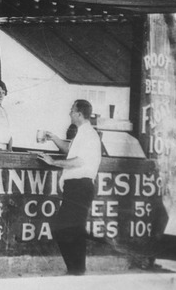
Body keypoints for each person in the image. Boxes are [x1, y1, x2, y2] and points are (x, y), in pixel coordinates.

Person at [37, 99, 102, 275]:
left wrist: (53, 162)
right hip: (76, 187)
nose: (69, 113)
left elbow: (80, 161)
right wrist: (55, 138)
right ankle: (76, 269)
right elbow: (71, 151)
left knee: (65, 228)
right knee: (73, 228)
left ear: (79, 114)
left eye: (72, 110)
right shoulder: (82, 132)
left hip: (80, 186)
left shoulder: (88, 134)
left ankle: (77, 269)